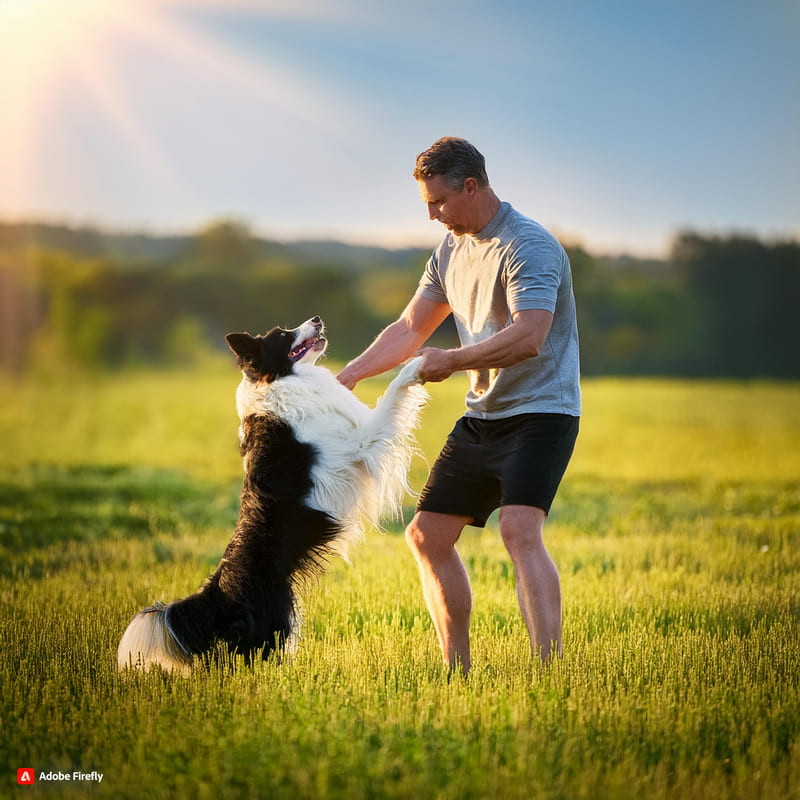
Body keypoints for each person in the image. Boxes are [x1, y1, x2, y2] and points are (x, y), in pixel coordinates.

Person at [337, 137, 580, 674]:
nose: (431, 215)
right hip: (482, 418)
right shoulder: (449, 249)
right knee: (426, 535)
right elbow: (409, 328)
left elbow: (530, 336)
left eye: (439, 202)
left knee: (519, 530)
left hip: (542, 412)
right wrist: (350, 374)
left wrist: (453, 359)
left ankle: (549, 672)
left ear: (471, 186)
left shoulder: (528, 245)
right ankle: (458, 673)